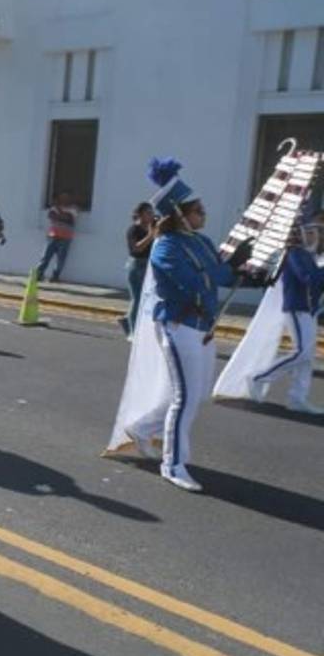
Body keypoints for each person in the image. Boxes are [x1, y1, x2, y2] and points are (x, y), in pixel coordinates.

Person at [106, 158, 252, 492]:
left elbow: (220, 271)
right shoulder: (165, 247)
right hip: (178, 326)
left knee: (194, 395)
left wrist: (253, 272)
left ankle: (141, 428)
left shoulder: (200, 242)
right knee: (184, 398)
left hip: (203, 328)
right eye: (198, 210)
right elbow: (200, 281)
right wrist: (232, 265)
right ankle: (172, 464)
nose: (204, 215)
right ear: (180, 215)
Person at [214, 212, 324, 414]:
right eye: (311, 232)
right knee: (301, 352)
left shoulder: (307, 255)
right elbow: (308, 278)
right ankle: (258, 377)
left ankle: (297, 398)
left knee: (306, 357)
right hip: (296, 308)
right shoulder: (294, 254)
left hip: (307, 309)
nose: (315, 236)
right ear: (299, 234)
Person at [120, 202, 157, 337]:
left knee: (146, 299)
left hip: (148, 266)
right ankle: (133, 331)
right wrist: (150, 235)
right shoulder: (133, 230)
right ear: (140, 215)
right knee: (137, 299)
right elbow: (136, 248)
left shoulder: (151, 229)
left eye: (152, 212)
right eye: (148, 213)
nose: (151, 215)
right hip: (136, 265)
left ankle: (126, 320)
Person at [35, 192, 77, 282]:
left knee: (60, 259)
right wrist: (60, 215)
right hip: (52, 235)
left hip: (65, 237)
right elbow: (51, 216)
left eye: (66, 197)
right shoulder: (54, 208)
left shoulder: (73, 209)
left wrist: (58, 212)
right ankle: (39, 274)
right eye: (62, 197)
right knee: (45, 256)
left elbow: (69, 219)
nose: (64, 199)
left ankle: (55, 276)